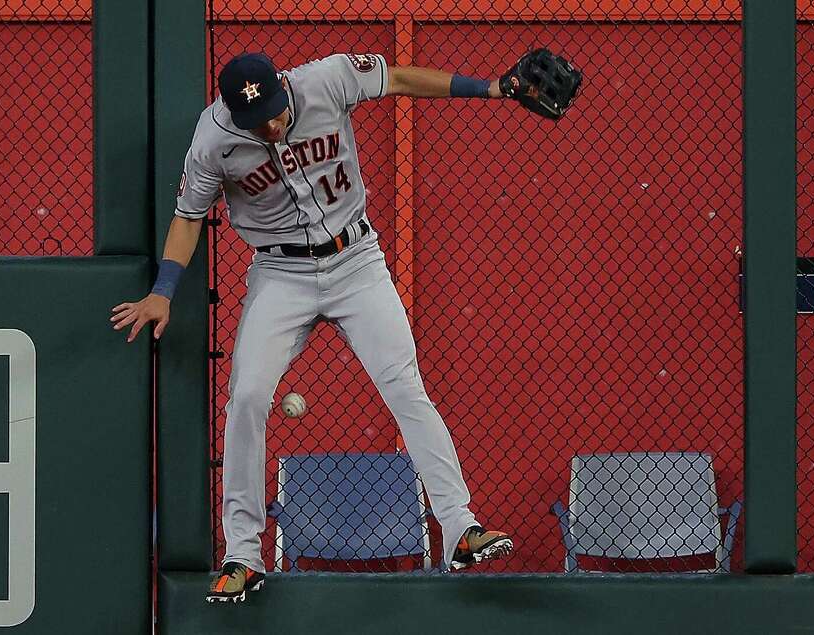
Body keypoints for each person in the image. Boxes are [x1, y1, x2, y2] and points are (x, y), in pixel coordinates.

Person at [112, 51, 526, 604]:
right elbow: (189, 217)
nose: (274, 124)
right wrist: (163, 293)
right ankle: (242, 553)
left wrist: (492, 86)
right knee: (247, 398)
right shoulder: (213, 139)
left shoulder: (327, 79)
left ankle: (459, 528)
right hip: (281, 274)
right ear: (232, 113)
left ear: (283, 86)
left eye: (277, 111)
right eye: (258, 122)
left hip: (357, 259)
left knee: (406, 388)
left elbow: (400, 77)